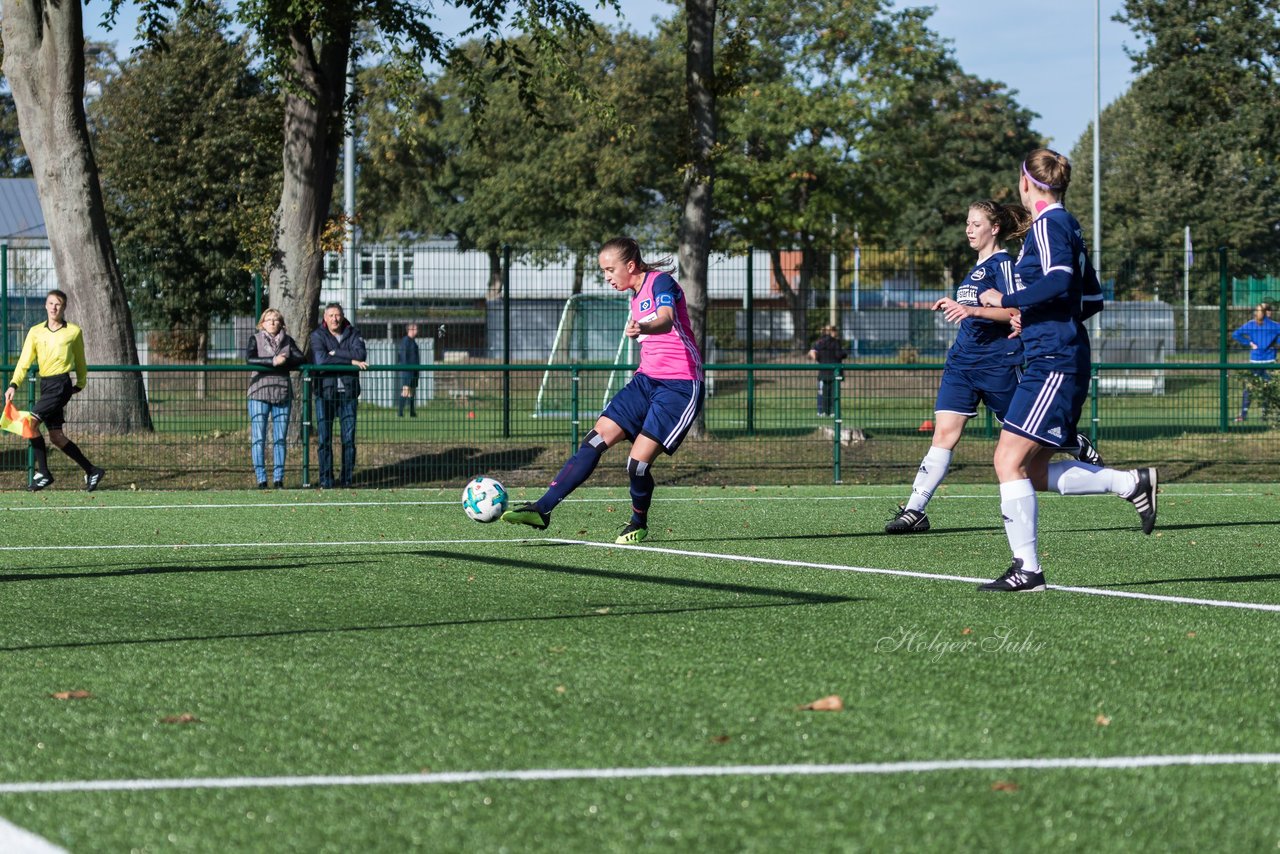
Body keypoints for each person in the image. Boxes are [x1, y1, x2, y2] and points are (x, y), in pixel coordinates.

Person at [974, 149, 1157, 592]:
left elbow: (1058, 279)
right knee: (1030, 472)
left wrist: (1010, 302)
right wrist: (1037, 320)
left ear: (1025, 183)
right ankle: (1130, 482)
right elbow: (1090, 299)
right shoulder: (1067, 224)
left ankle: (1028, 570)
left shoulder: (1049, 224)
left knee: (1006, 460)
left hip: (1053, 361)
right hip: (1054, 355)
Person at [885, 200, 1105, 534]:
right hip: (961, 363)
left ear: (995, 228)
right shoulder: (974, 268)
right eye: (967, 223)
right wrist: (959, 306)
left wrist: (973, 311)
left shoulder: (1004, 264)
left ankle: (1074, 442)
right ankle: (915, 509)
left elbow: (1016, 312)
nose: (968, 230)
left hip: (998, 364)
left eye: (975, 224)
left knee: (1027, 433)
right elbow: (973, 306)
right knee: (944, 434)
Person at [502, 237, 703, 544]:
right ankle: (542, 509)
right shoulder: (633, 295)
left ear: (630, 266)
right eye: (604, 271)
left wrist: (643, 328)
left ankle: (639, 522)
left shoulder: (660, 282)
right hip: (645, 381)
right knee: (594, 439)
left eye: (610, 270)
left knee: (636, 465)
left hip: (680, 386)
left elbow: (665, 321)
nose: (607, 277)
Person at [5, 289, 106, 492]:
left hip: (61, 385)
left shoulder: (73, 332)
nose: (54, 307)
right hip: (46, 385)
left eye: (58, 304)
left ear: (64, 307)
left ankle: (43, 472)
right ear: (45, 305)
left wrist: (81, 383)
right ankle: (92, 470)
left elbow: (80, 360)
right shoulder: (35, 332)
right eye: (50, 303)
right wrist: (13, 384)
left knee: (30, 424)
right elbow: (24, 361)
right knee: (56, 436)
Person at [310, 303, 368, 488]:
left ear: (342, 316)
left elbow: (361, 353)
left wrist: (336, 353)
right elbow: (321, 360)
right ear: (325, 318)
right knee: (324, 439)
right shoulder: (317, 335)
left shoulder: (353, 333)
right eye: (331, 315)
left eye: (338, 315)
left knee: (348, 439)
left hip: (348, 394)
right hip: (325, 393)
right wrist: (350, 360)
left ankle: (346, 479)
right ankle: (326, 480)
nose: (335, 318)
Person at [246, 308, 305, 489]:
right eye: (268, 319)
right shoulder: (254, 339)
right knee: (259, 438)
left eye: (276, 320)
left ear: (281, 324)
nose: (272, 322)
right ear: (262, 323)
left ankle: (278, 479)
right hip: (259, 393)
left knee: (280, 438)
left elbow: (300, 358)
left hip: (282, 393)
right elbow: (250, 359)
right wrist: (273, 361)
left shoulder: (287, 341)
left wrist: (284, 360)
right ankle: (261, 479)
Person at [1230, 303, 1280, 421]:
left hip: (1259, 361)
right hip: (1268, 361)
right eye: (1267, 310)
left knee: (1250, 388)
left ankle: (1245, 415)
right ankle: (1263, 415)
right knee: (1268, 388)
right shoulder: (1274, 326)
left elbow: (1235, 334)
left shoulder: (1252, 324)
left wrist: (1249, 343)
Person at [807, 325, 847, 416]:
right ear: (832, 332)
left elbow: (812, 353)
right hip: (834, 371)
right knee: (834, 392)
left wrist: (819, 359)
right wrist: (844, 353)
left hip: (823, 370)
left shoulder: (819, 342)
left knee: (823, 391)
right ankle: (833, 411)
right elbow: (838, 354)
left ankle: (822, 411)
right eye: (834, 330)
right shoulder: (836, 342)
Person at [397, 322, 421, 417]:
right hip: (408, 371)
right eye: (415, 328)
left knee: (412, 392)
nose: (417, 331)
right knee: (406, 391)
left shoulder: (413, 341)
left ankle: (412, 412)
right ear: (410, 330)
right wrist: (406, 368)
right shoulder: (405, 341)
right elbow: (403, 356)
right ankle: (400, 412)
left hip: (414, 371)